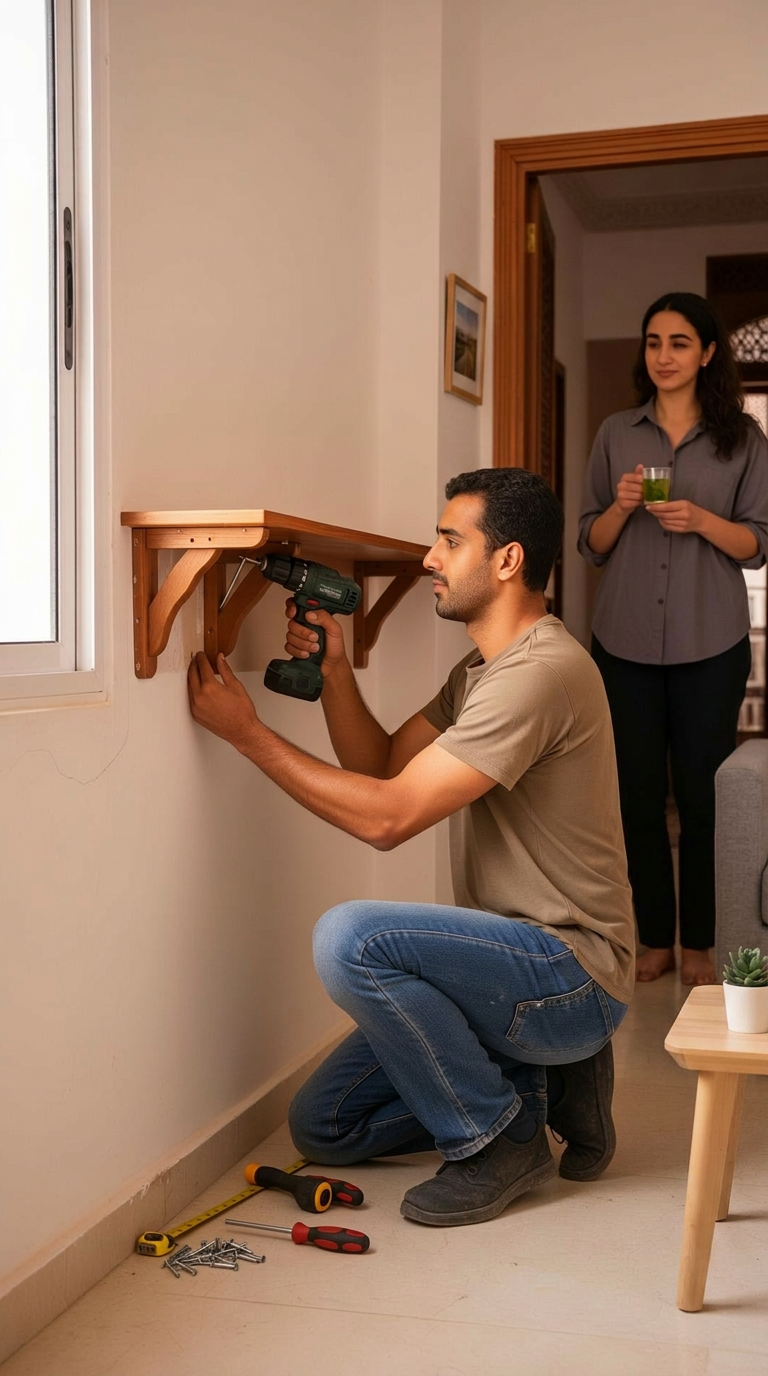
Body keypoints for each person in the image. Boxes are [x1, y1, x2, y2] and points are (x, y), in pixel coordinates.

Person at [188, 468, 635, 1227]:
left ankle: (501, 1140)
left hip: (570, 969)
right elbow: (385, 765)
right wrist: (334, 671)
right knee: (325, 1126)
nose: (430, 558)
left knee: (349, 938)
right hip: (513, 964)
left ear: (507, 561)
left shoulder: (541, 674)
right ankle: (543, 1082)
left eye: (449, 540)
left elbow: (388, 819)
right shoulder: (481, 672)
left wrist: (248, 736)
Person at [579, 292, 768, 988]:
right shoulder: (615, 433)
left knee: (702, 798)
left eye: (680, 342)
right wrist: (624, 508)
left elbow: (758, 545)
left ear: (708, 353)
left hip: (709, 642)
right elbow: (589, 543)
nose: (664, 355)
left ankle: (702, 946)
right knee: (632, 798)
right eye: (654, 341)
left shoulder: (743, 441)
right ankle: (654, 938)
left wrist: (702, 521)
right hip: (622, 639)